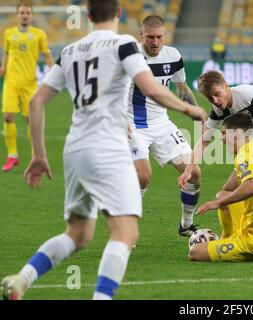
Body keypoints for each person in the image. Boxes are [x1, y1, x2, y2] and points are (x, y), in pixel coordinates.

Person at [1, 0, 206, 300]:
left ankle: (22, 278)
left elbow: (35, 103)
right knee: (124, 233)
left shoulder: (70, 51)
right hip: (108, 146)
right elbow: (151, 88)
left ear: (89, 16)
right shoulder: (124, 45)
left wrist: (39, 154)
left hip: (75, 149)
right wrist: (189, 109)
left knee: (78, 235)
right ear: (119, 15)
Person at [128, 15, 201, 237]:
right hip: (133, 124)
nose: (155, 42)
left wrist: (199, 115)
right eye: (150, 37)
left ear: (165, 35)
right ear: (141, 35)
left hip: (162, 124)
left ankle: (186, 224)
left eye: (160, 37)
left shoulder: (173, 56)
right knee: (143, 176)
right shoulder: (130, 58)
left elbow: (183, 89)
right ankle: (127, 231)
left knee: (195, 173)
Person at [189, 112, 253, 262]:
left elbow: (252, 187)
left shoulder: (246, 155)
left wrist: (217, 204)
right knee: (223, 195)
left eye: (224, 133)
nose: (222, 138)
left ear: (236, 133)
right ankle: (231, 237)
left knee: (195, 252)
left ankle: (237, 241)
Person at [0, 1, 54, 172]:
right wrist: (3, 66)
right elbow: (7, 53)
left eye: (27, 13)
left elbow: (46, 55)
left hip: (30, 83)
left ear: (31, 15)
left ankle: (35, 154)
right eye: (22, 12)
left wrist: (54, 69)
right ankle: (12, 155)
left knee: (31, 120)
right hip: (11, 82)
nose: (24, 15)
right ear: (17, 15)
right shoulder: (9, 33)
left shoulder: (39, 34)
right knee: (8, 116)